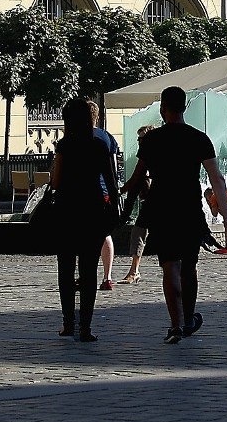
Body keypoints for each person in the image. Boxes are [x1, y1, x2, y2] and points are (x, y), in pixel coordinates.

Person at [124, 86, 227, 345]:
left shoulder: (152, 140)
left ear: (163, 108)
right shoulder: (198, 138)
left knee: (170, 267)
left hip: (162, 208)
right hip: (188, 209)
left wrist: (124, 203)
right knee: (189, 266)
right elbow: (216, 179)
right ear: (184, 107)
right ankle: (187, 320)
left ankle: (175, 325)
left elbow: (137, 177)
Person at [52, 98, 119, 342]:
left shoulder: (65, 145)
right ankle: (86, 328)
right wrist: (116, 209)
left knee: (66, 269)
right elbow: (111, 182)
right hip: (93, 211)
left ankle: (68, 323)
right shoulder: (99, 145)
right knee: (89, 270)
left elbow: (56, 182)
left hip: (67, 212)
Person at [87, 100, 120, 292]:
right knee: (105, 233)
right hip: (104, 192)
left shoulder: (74, 137)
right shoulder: (107, 137)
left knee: (81, 235)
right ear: (97, 116)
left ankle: (84, 276)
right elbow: (113, 170)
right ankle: (107, 276)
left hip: (81, 194)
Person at [118, 124, 156, 284]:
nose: (138, 141)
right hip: (158, 202)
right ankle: (134, 270)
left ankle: (134, 271)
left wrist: (119, 191)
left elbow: (136, 178)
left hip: (156, 202)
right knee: (139, 231)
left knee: (139, 232)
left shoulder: (149, 152)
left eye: (141, 138)